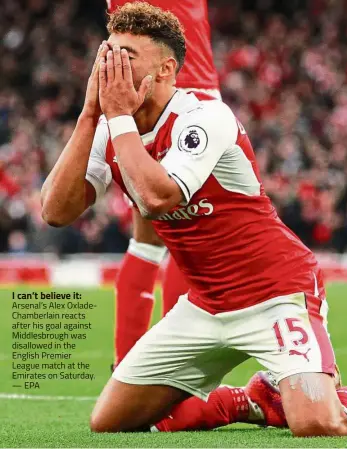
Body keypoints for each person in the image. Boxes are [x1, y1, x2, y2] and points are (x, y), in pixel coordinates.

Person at [41, 2, 347, 437]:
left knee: (316, 424)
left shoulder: (203, 117)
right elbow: (55, 211)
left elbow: (158, 197)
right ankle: (251, 400)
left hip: (275, 292)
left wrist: (116, 117)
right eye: (108, 54)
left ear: (165, 69)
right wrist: (89, 117)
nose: (110, 67)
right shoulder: (110, 127)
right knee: (111, 422)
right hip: (205, 304)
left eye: (127, 56)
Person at [107, 0, 220, 368]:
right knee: (190, 237)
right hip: (181, 88)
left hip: (138, 86)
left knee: (147, 241)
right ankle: (173, 370)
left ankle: (128, 366)